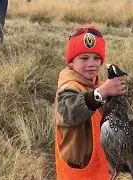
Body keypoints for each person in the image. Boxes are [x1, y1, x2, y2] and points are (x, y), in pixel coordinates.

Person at [54, 25, 127, 179]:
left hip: (100, 167)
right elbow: (69, 113)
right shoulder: (69, 86)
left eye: (96, 58)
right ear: (71, 62)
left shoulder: (97, 84)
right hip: (79, 172)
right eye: (84, 58)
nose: (91, 63)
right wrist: (101, 94)